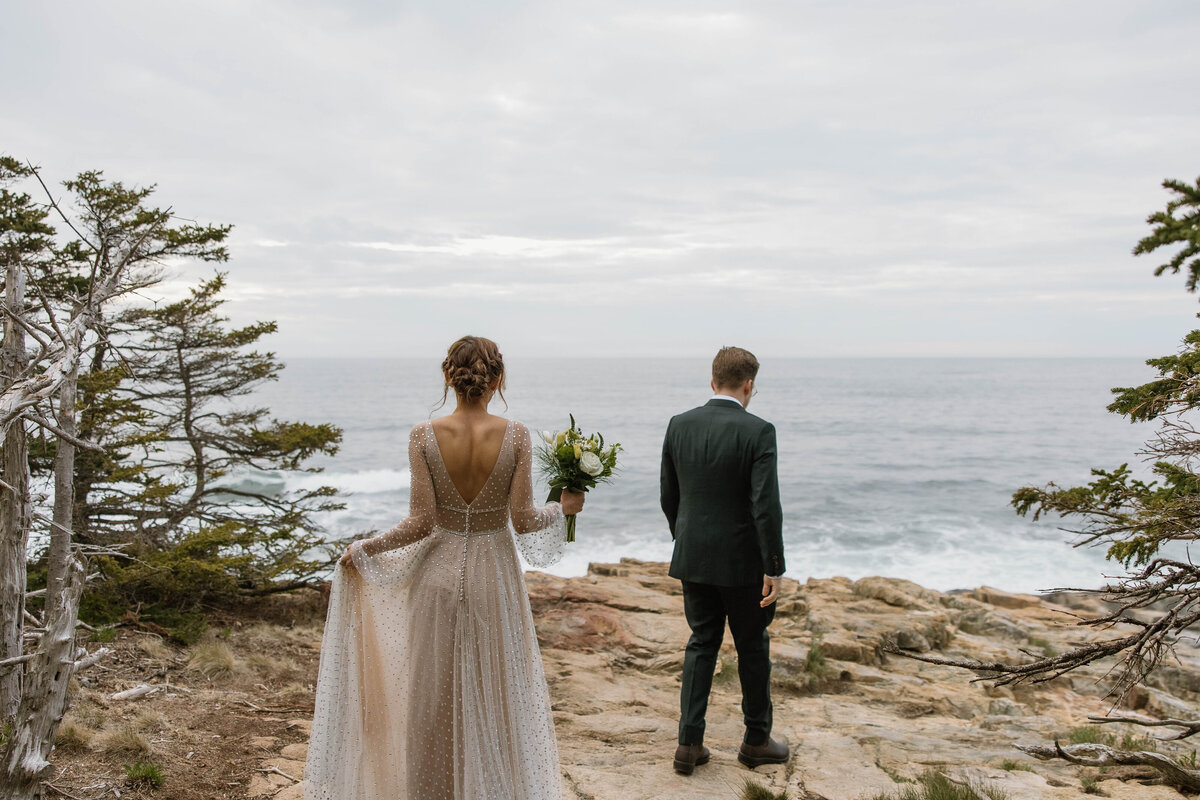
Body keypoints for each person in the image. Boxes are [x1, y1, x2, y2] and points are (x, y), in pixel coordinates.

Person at [304, 336, 584, 800]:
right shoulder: (515, 434)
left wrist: (366, 548)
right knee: (496, 697)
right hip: (495, 578)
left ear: (448, 376)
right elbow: (523, 520)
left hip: (435, 577)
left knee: (431, 701)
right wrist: (566, 508)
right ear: (497, 380)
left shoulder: (423, 435)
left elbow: (421, 522)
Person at [660, 346, 789, 775]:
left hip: (693, 556)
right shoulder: (759, 431)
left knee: (701, 643)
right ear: (748, 384)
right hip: (742, 564)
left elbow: (669, 495)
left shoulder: (680, 424)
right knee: (752, 647)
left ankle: (688, 745)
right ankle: (755, 741)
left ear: (712, 381)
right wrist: (773, 565)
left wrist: (687, 539)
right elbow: (764, 505)